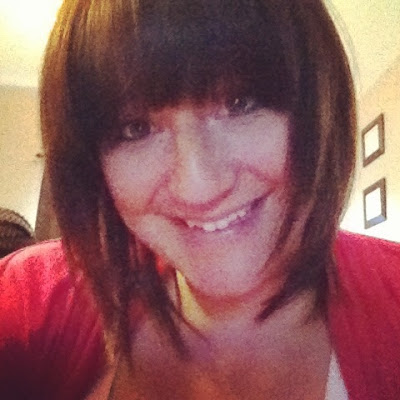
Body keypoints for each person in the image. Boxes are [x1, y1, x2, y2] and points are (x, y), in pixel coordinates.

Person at [1, 0, 400, 399]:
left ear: (316, 108)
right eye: (136, 128)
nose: (199, 187)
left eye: (240, 103)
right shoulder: (31, 300)